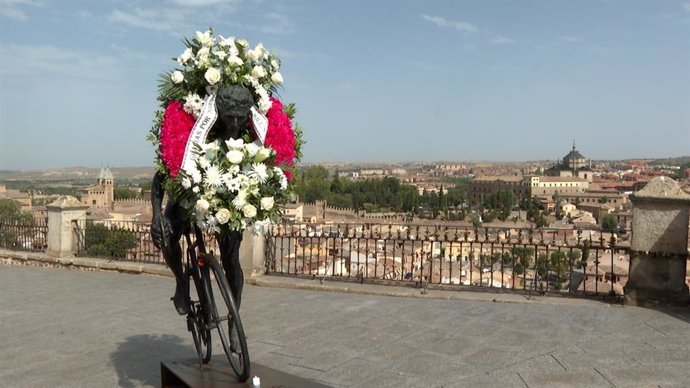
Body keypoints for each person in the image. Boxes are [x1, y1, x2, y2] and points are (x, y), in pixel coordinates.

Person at [150, 85, 254, 315]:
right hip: (189, 193)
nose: (235, 124)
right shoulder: (196, 127)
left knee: (231, 259)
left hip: (227, 199)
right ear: (218, 111)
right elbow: (161, 176)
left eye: (240, 118)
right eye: (230, 118)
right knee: (166, 236)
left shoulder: (251, 134)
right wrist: (157, 215)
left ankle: (234, 317)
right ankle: (180, 280)